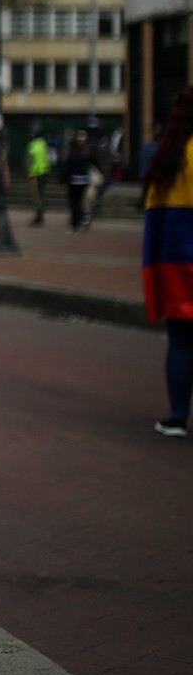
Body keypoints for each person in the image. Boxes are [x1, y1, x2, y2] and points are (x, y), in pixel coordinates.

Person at [142, 88, 193, 439]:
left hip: (175, 260)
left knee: (181, 341)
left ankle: (177, 417)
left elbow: (153, 219)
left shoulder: (168, 157)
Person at [62, 131, 96, 232]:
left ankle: (74, 222)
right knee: (80, 201)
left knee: (74, 202)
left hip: (73, 181)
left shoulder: (71, 155)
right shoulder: (85, 155)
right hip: (84, 180)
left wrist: (62, 179)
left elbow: (66, 169)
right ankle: (83, 218)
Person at [25, 128, 51, 227]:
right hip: (43, 173)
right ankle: (40, 216)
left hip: (34, 174)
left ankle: (37, 218)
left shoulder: (32, 146)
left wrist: (28, 172)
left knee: (36, 197)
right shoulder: (44, 145)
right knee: (41, 195)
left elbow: (29, 160)